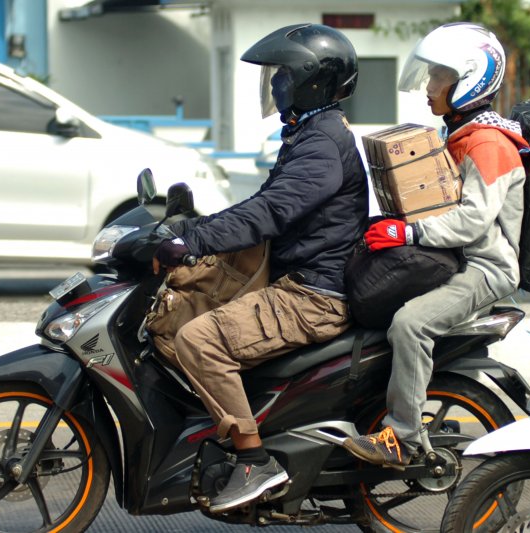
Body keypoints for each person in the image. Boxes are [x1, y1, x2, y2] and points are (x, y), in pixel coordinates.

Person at [153, 23, 368, 512]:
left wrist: (195, 241)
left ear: (313, 81)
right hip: (300, 282)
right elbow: (265, 202)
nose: (275, 85)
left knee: (196, 339)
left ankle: (254, 461)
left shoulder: (321, 143)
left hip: (311, 296)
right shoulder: (310, 135)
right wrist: (197, 225)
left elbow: (272, 213)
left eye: (284, 75)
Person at [343, 22, 530, 468]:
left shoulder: (487, 143)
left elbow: (471, 221)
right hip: (452, 257)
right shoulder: (462, 132)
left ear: (469, 81)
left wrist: (407, 234)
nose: (429, 87)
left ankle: (403, 438)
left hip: (484, 268)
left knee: (410, 324)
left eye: (438, 78)